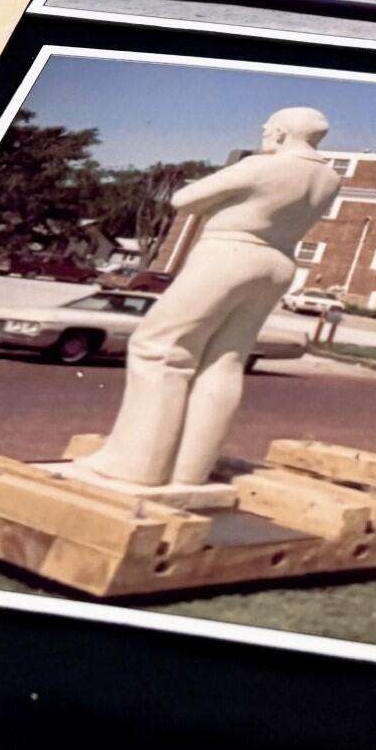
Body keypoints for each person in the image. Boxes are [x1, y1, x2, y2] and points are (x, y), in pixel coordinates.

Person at [61, 106, 340, 490]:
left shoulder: (262, 165)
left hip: (230, 254)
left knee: (159, 348)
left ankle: (135, 465)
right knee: (224, 361)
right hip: (278, 262)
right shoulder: (329, 178)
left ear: (280, 133)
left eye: (268, 126)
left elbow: (184, 199)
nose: (263, 130)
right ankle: (190, 471)